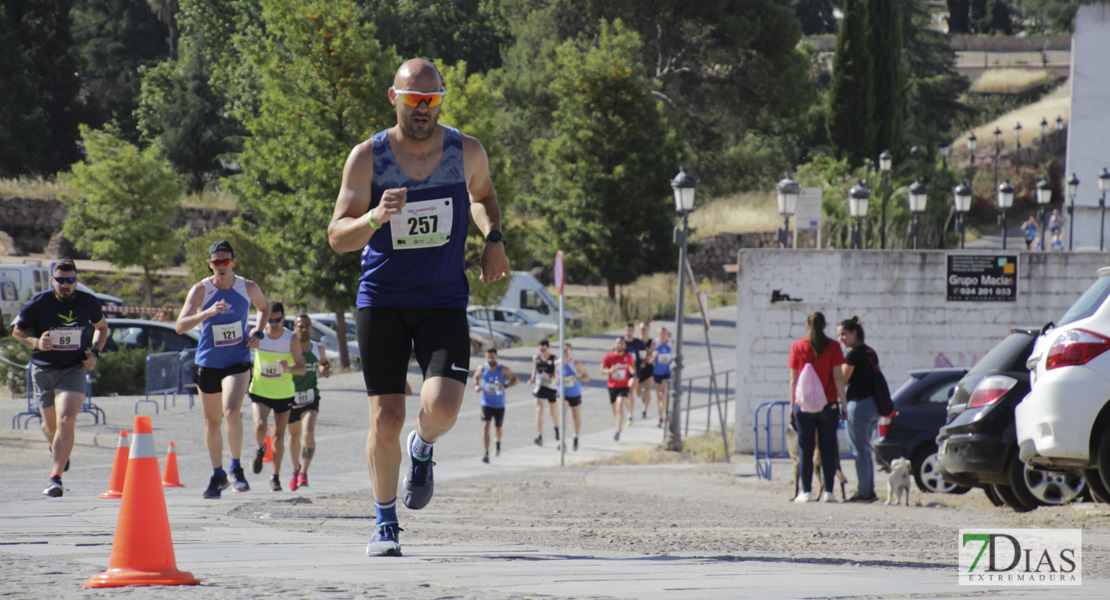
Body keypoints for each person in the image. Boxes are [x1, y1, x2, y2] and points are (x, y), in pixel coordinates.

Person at [327, 58, 510, 557]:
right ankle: (385, 521)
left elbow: (484, 196)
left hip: (442, 298)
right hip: (382, 298)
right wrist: (373, 215)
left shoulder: (464, 150)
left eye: (432, 100)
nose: (424, 109)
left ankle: (422, 446)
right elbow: (337, 236)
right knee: (386, 416)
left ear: (441, 101)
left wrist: (493, 237)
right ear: (395, 99)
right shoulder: (367, 157)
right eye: (414, 100)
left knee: (444, 408)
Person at [176, 240, 269, 499]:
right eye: (216, 262)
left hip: (238, 359)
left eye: (226, 261)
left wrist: (258, 331)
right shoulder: (200, 290)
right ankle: (217, 474)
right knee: (212, 422)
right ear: (209, 264)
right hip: (207, 362)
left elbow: (264, 308)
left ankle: (236, 467)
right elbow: (180, 326)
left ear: (233, 263)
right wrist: (206, 313)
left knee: (231, 410)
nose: (221, 266)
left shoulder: (247, 287)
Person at [10, 259, 108, 497]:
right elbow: (16, 329)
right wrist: (35, 342)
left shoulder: (88, 302)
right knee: (50, 426)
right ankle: (57, 449)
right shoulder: (40, 302)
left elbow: (102, 328)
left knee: (66, 420)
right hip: (44, 370)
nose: (65, 285)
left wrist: (95, 353)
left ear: (76, 281)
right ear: (52, 280)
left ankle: (55, 477)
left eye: (70, 280)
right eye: (60, 280)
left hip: (73, 369)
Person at [787, 311, 847, 503]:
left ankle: (806, 492)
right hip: (828, 404)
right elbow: (838, 377)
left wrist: (791, 405)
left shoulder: (797, 346)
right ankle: (828, 492)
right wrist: (843, 404)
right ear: (824, 326)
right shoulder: (834, 347)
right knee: (828, 447)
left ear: (807, 326)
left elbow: (793, 379)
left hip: (803, 405)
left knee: (806, 447)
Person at [246, 302, 306, 492]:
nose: (273, 323)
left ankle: (275, 476)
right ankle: (260, 448)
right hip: (260, 391)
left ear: (283, 317)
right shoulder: (258, 336)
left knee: (279, 438)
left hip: (283, 393)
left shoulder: (291, 339)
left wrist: (287, 368)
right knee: (260, 426)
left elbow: (301, 367)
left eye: (277, 320)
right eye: (269, 320)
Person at [837, 316, 880, 503]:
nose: (841, 339)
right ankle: (868, 489)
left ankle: (864, 492)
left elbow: (843, 380)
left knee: (858, 450)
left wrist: (841, 404)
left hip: (859, 405)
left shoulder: (853, 355)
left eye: (844, 334)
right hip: (873, 405)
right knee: (864, 449)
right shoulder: (871, 352)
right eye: (839, 335)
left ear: (854, 333)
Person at [287, 314, 330, 491]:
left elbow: (324, 365)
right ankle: (295, 469)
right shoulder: (289, 349)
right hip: (290, 397)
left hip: (311, 396)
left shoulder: (318, 349)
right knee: (294, 437)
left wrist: (324, 369)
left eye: (307, 326)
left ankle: (304, 472)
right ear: (294, 329)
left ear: (311, 328)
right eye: (300, 326)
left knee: (308, 432)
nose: (304, 329)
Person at [472, 348, 518, 463]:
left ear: (497, 357)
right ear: (485, 357)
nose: (490, 359)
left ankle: (497, 443)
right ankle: (486, 452)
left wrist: (505, 386)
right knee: (486, 426)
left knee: (497, 427)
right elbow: (475, 377)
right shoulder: (482, 368)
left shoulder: (503, 370)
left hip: (499, 404)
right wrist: (476, 385)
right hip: (486, 402)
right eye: (488, 357)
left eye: (492, 357)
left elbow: (515, 380)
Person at [600, 337, 636, 441]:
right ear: (615, 345)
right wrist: (609, 371)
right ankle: (620, 421)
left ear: (624, 346)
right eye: (618, 343)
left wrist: (632, 376)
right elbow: (601, 370)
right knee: (615, 410)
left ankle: (617, 431)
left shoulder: (628, 356)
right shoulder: (608, 356)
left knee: (620, 405)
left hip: (623, 386)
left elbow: (632, 368)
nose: (620, 345)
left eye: (622, 343)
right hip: (612, 386)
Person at [560, 343, 591, 451]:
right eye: (563, 350)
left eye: (567, 351)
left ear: (571, 352)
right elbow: (555, 378)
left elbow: (587, 378)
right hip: (562, 393)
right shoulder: (557, 363)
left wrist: (576, 378)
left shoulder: (576, 364)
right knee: (562, 416)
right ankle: (562, 441)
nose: (565, 353)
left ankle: (576, 436)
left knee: (575, 417)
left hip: (574, 393)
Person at [528, 339, 559, 445]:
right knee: (539, 410)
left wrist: (550, 376)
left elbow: (558, 375)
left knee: (552, 413)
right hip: (540, 386)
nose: (542, 352)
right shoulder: (536, 358)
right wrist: (532, 379)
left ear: (548, 348)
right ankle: (539, 436)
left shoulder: (555, 359)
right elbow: (534, 369)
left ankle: (557, 429)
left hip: (551, 387)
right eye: (541, 350)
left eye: (544, 350)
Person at [621, 322, 646, 426]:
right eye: (627, 330)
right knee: (627, 395)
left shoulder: (638, 343)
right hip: (622, 373)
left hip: (635, 372)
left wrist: (644, 360)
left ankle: (630, 415)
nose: (629, 331)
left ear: (633, 331)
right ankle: (629, 411)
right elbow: (614, 354)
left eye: (631, 330)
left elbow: (645, 351)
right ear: (624, 330)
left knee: (630, 391)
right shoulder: (621, 343)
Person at [651, 328, 674, 428]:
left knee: (663, 393)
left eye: (665, 334)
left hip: (667, 373)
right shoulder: (655, 343)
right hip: (657, 372)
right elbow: (650, 359)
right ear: (658, 335)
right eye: (661, 334)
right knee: (660, 396)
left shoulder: (670, 343)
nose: (663, 336)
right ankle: (663, 411)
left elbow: (675, 355)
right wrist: (653, 355)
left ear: (667, 335)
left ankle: (661, 418)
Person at [634, 321, 655, 419]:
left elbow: (652, 356)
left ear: (648, 329)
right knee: (637, 393)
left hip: (649, 369)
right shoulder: (635, 342)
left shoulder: (652, 342)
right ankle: (643, 397)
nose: (643, 331)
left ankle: (644, 411)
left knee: (647, 390)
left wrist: (647, 359)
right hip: (638, 370)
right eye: (641, 329)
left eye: (644, 329)